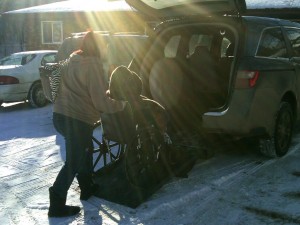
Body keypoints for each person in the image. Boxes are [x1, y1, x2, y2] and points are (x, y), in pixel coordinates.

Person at [48, 31, 125, 218]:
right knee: (74, 160)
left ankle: (87, 187)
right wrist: (122, 104)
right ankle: (56, 203)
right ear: (99, 47)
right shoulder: (93, 66)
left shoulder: (71, 60)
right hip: (77, 119)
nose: (106, 49)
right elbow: (101, 102)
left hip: (59, 115)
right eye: (105, 46)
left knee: (85, 149)